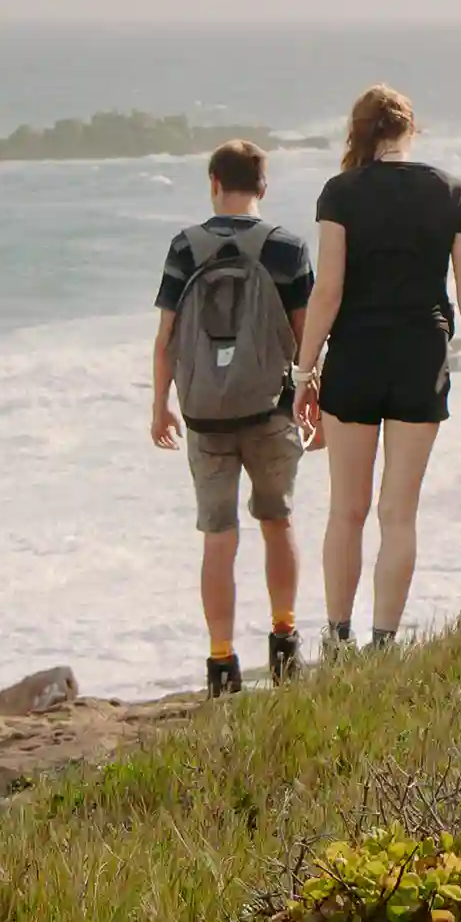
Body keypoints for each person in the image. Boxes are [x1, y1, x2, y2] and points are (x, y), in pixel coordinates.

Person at [299, 86, 461, 652]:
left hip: (356, 356)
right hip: (421, 357)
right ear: (411, 130)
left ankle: (338, 639)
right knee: (398, 512)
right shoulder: (453, 193)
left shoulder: (341, 193)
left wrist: (304, 373)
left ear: (362, 131)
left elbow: (327, 292)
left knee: (347, 508)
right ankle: (383, 644)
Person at [149, 140, 320, 693]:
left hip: (204, 418)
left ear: (214, 184)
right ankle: (284, 641)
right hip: (271, 411)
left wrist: (161, 406)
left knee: (218, 538)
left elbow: (165, 339)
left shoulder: (185, 247)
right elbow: (305, 339)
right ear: (263, 188)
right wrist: (312, 398)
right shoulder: (287, 248)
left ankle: (221, 662)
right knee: (278, 522)